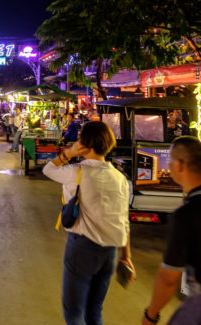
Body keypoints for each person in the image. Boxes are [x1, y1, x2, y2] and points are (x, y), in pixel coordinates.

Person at [43, 121, 134, 325]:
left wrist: (69, 153)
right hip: (110, 253)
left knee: (74, 313)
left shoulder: (76, 171)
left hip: (82, 249)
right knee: (94, 312)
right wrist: (126, 256)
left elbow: (48, 169)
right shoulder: (120, 179)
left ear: (85, 143)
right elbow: (124, 219)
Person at [142, 136, 201, 325]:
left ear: (179, 165)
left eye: (169, 161)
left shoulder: (185, 215)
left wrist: (151, 315)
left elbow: (168, 278)